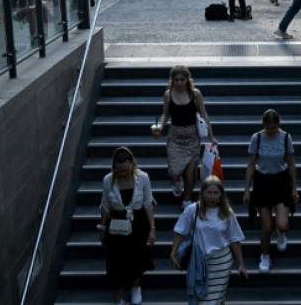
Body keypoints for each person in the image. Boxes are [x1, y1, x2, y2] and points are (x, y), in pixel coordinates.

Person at [170, 176, 248, 304]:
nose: (212, 196)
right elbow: (180, 231)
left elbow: (235, 239)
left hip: (221, 260)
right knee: (210, 298)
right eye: (209, 192)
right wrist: (173, 253)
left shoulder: (227, 212)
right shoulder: (192, 210)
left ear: (221, 194)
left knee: (211, 300)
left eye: (216, 193)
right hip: (199, 261)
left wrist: (241, 263)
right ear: (202, 193)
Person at [243, 109, 298, 274]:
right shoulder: (257, 138)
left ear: (278, 125)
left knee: (282, 224)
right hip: (262, 183)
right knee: (267, 227)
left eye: (274, 128)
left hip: (281, 182)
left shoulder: (286, 137)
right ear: (264, 125)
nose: (271, 131)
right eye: (268, 128)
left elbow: (291, 164)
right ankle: (265, 255)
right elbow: (251, 164)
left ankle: (281, 234)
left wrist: (294, 188)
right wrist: (246, 190)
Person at [99, 147, 156, 305]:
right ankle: (117, 298)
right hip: (116, 223)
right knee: (115, 261)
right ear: (115, 167)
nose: (123, 173)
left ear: (132, 164)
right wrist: (102, 228)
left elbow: (148, 202)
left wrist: (152, 228)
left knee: (137, 257)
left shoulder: (143, 177)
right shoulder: (108, 180)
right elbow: (104, 206)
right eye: (120, 170)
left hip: (138, 222)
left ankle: (135, 287)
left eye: (126, 170)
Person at [159, 65, 218, 207]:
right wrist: (160, 126)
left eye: (182, 80)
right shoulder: (168, 94)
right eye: (176, 80)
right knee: (174, 170)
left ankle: (186, 200)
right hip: (175, 136)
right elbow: (165, 113)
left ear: (187, 80)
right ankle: (176, 181)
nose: (179, 83)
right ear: (172, 80)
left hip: (192, 136)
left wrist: (211, 136)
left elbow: (204, 114)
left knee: (190, 172)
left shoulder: (195, 94)